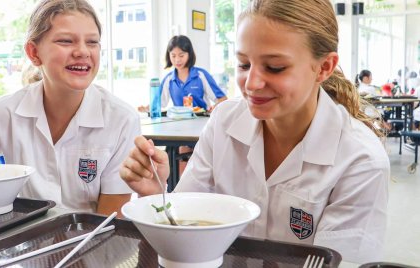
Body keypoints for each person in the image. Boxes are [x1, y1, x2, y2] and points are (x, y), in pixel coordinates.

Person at [120, 0, 388, 263]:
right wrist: (155, 196)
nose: (252, 83)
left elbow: (341, 260)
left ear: (324, 67)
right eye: (244, 65)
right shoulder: (224, 122)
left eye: (274, 67)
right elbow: (186, 239)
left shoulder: (360, 160)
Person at [0, 0, 140, 216]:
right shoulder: (5, 112)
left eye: (92, 42)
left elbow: (110, 220)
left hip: (94, 249)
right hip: (28, 245)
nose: (83, 51)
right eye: (66, 41)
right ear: (34, 53)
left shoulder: (122, 119)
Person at [138, 35, 228, 113]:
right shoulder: (168, 79)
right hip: (179, 124)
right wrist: (146, 108)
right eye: (173, 56)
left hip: (203, 122)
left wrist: (214, 109)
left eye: (181, 55)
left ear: (189, 55)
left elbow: (222, 99)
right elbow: (159, 103)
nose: (177, 60)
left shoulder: (201, 75)